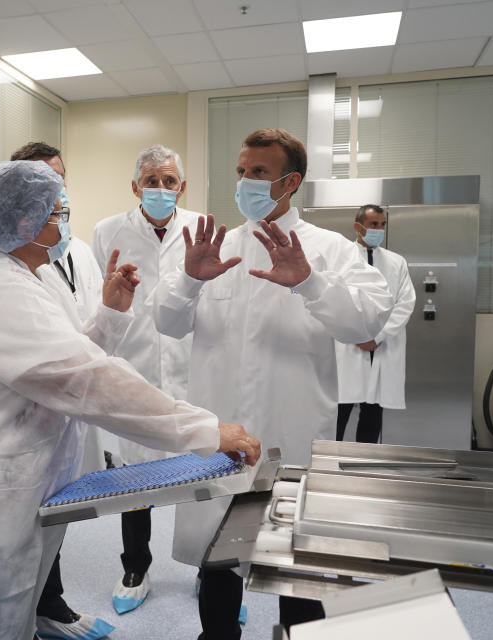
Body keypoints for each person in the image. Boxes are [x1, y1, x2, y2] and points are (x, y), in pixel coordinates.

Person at [0, 160, 261, 640]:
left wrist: (108, 313)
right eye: (57, 213)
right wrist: (205, 431)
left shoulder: (27, 278)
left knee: (7, 618)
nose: (63, 223)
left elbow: (64, 362)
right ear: (26, 224)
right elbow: (89, 381)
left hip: (10, 491)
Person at [152, 128, 393, 639]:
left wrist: (309, 282)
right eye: (241, 172)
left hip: (292, 431)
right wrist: (191, 280)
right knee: (217, 562)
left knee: (295, 571)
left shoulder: (329, 250)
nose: (245, 183)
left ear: (291, 182)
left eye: (259, 173)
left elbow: (365, 323)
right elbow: (167, 323)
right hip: (221, 435)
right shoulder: (213, 249)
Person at [7, 142, 113, 640]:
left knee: (59, 512)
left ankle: (50, 605)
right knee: (29, 521)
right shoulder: (9, 259)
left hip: (70, 404)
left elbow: (83, 337)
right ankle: (34, 612)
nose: (58, 191)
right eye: (45, 179)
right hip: (30, 414)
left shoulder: (80, 252)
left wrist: (113, 308)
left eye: (62, 179)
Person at [92, 144, 201, 614]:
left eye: (169, 181)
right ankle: (136, 565)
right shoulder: (106, 232)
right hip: (133, 368)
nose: (161, 189)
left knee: (204, 474)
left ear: (183, 187)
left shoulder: (201, 228)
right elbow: (102, 301)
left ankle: (209, 570)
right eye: (151, 181)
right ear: (135, 187)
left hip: (193, 368)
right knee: (135, 476)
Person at [335, 205, 416, 443]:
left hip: (381, 347)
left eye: (383, 225)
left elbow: (405, 302)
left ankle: (362, 467)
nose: (379, 230)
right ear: (358, 227)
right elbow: (334, 300)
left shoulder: (396, 262)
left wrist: (377, 337)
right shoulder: (340, 259)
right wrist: (357, 335)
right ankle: (328, 465)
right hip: (349, 347)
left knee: (372, 415)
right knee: (339, 413)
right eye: (373, 225)